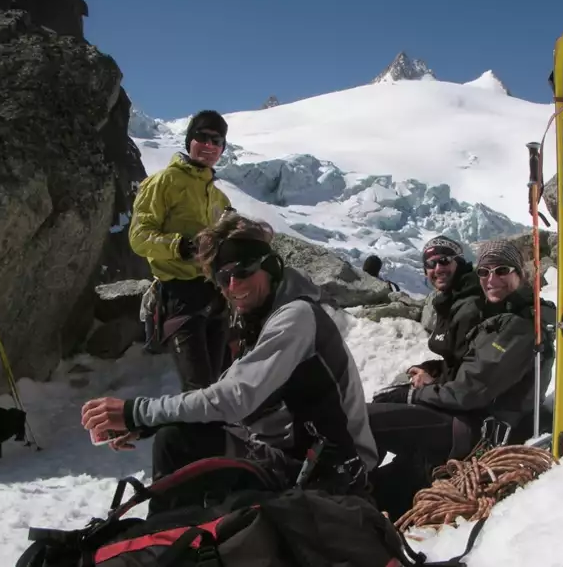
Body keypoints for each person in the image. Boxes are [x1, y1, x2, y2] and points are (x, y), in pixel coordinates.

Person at [82, 213, 379, 514]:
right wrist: (151, 424)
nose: (233, 285)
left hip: (334, 468)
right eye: (223, 278)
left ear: (270, 266)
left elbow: (235, 398)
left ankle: (165, 544)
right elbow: (228, 400)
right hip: (289, 454)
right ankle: (168, 540)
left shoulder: (297, 317)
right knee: (178, 440)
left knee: (178, 445)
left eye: (243, 271)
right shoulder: (257, 318)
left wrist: (139, 413)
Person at [368, 239, 557, 520]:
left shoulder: (518, 326)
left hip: (476, 432)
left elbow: (468, 392)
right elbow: (467, 374)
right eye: (484, 272)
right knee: (380, 485)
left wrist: (414, 395)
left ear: (520, 274)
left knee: (368, 419)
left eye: (502, 270)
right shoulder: (501, 317)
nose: (491, 280)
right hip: (467, 419)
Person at [129, 110, 234, 392]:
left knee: (224, 386)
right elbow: (139, 236)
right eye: (203, 137)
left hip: (216, 296)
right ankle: (196, 435)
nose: (210, 146)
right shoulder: (163, 182)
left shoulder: (220, 197)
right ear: (189, 140)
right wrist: (181, 247)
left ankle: (223, 437)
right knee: (199, 390)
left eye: (217, 141)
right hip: (180, 296)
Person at [404, 235, 485, 388]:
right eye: (430, 263)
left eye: (445, 260)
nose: (438, 268)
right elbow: (457, 362)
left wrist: (432, 383)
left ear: (459, 263)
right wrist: (430, 368)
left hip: (466, 402)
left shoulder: (471, 306)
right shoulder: (452, 299)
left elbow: (476, 379)